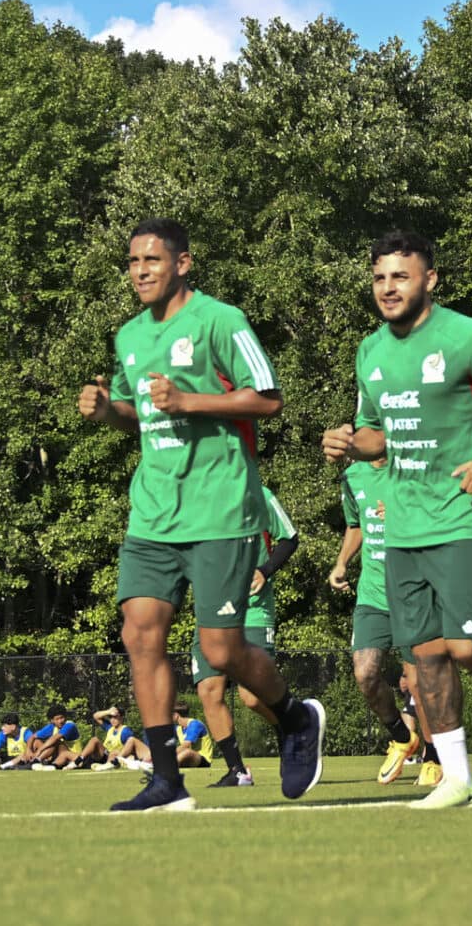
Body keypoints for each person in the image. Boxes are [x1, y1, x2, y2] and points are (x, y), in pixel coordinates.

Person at [77, 217, 326, 812]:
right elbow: (139, 413)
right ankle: (167, 781)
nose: (140, 271)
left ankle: (295, 718)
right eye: (133, 262)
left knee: (221, 651)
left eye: (152, 260)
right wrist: (106, 411)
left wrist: (189, 400)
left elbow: (268, 397)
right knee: (140, 635)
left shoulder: (221, 320)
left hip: (220, 512)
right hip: (153, 514)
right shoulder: (129, 337)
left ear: (182, 264)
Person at [320, 230, 472, 811]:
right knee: (426, 655)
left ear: (429, 279)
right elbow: (377, 430)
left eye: (400, 276)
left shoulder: (467, 337)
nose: (388, 288)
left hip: (462, 518)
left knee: (465, 643)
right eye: (379, 277)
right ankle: (459, 778)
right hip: (402, 526)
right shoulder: (370, 351)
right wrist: (350, 443)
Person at [188, 483, 301, 787]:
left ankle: (293, 727)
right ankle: (237, 771)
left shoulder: (259, 494)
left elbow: (290, 538)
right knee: (209, 690)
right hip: (210, 613)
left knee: (252, 696)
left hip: (252, 611)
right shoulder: (194, 497)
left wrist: (264, 570)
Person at [330, 449, 430, 785]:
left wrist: (402, 514)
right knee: (365, 674)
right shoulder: (353, 476)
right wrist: (342, 562)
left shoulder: (413, 467)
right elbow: (356, 524)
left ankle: (435, 756)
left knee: (420, 681)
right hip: (372, 595)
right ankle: (403, 738)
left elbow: (441, 517)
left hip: (414, 592)